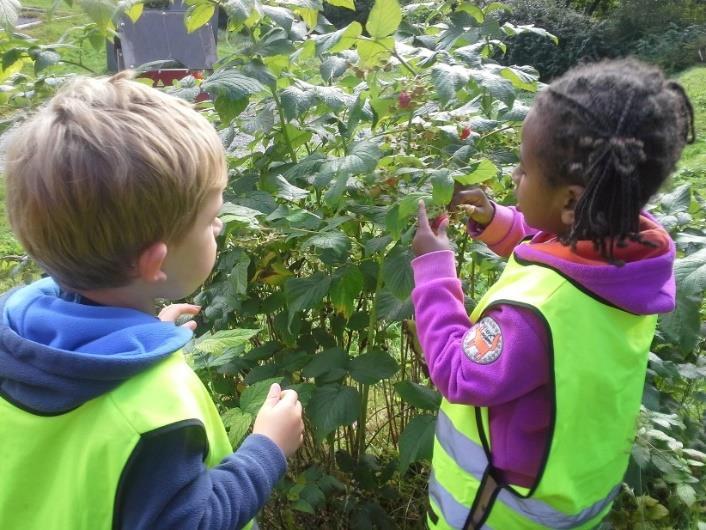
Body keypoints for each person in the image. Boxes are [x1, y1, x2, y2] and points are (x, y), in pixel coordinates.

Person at [0, 72, 304, 530]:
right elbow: (197, 520)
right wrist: (266, 449)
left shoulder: (17, 331)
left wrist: (140, 336)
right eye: (212, 218)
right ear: (153, 264)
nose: (219, 229)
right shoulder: (155, 422)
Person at [411, 59, 694, 529]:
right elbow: (555, 250)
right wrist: (497, 222)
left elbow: (457, 372)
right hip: (579, 495)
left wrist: (435, 271)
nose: (514, 179)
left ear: (570, 201)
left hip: (500, 513)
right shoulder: (628, 258)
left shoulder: (534, 319)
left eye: (523, 171)